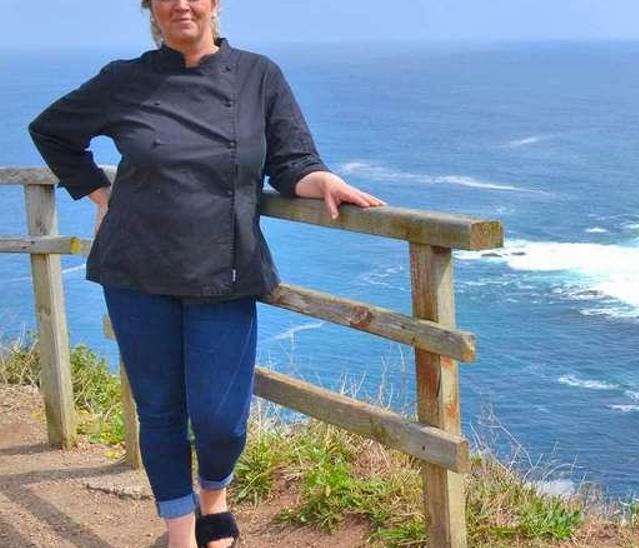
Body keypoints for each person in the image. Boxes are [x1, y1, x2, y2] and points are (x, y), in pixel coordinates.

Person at [27, 1, 386, 546]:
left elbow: (292, 162)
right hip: (136, 272)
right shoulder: (124, 79)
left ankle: (213, 499)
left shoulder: (257, 75)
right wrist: (100, 193)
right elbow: (52, 131)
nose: (182, 4)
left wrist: (323, 181)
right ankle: (181, 530)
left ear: (215, 3)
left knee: (220, 419)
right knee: (160, 409)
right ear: (151, 7)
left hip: (226, 272)